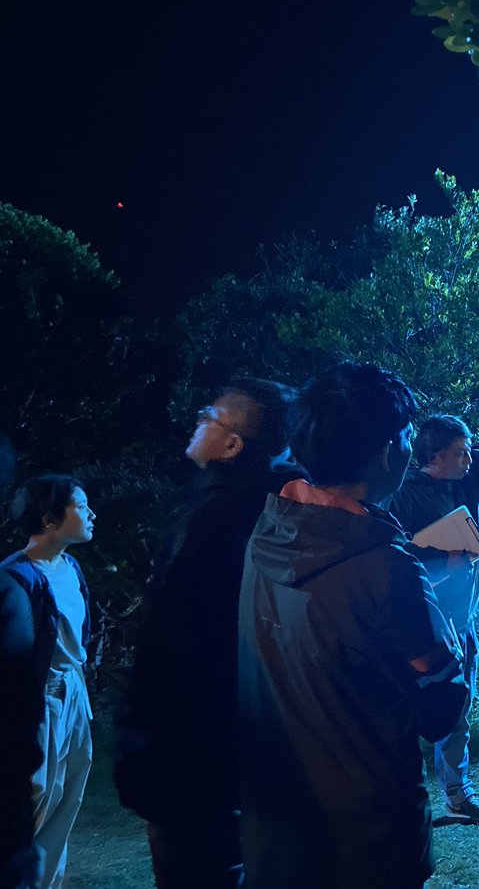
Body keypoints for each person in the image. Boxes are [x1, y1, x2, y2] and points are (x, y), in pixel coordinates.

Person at [238, 362, 467, 889]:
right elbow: (440, 710)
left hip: (274, 821)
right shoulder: (386, 567)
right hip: (365, 835)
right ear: (389, 451)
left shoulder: (268, 530)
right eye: (407, 437)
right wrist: (450, 642)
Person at [114, 378, 299, 887]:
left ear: (232, 445)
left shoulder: (216, 520)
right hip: (240, 742)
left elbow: (179, 645)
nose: (197, 422)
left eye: (208, 416)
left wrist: (147, 746)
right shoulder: (275, 510)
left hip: (191, 750)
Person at [390, 415, 479, 827]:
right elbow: (395, 553)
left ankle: (457, 795)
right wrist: (443, 559)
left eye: (469, 452)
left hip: (462, 617)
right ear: (435, 455)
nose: (469, 460)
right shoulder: (405, 494)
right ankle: (405, 794)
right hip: (426, 620)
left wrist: (466, 447)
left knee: (458, 707)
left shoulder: (461, 486)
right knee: (409, 709)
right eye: (460, 453)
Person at [1, 475, 96, 889]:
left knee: (69, 794)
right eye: (81, 506)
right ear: (49, 520)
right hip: (42, 700)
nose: (91, 514)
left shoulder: (70, 567)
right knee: (37, 795)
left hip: (73, 692)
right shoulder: (16, 577)